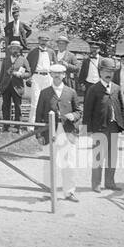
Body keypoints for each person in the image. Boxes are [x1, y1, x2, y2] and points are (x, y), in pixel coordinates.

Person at [35, 63, 82, 201]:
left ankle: (69, 192)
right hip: (50, 132)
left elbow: (79, 111)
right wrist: (39, 134)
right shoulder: (45, 93)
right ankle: (48, 192)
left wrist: (74, 116)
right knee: (49, 162)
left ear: (64, 75)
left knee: (69, 163)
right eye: (54, 74)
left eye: (60, 73)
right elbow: (38, 115)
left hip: (67, 130)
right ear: (50, 75)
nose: (57, 76)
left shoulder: (71, 92)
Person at [83, 59, 124, 192]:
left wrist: (123, 125)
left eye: (111, 71)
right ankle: (96, 183)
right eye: (106, 71)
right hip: (99, 128)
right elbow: (87, 111)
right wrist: (87, 129)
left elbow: (121, 107)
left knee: (112, 156)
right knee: (98, 156)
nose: (109, 74)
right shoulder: (94, 89)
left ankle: (110, 182)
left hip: (114, 127)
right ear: (100, 72)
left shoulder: (116, 88)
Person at [0, 39, 32, 131]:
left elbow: (29, 73)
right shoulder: (5, 60)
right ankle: (6, 126)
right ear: (10, 49)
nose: (15, 50)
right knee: (5, 106)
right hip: (6, 86)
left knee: (18, 107)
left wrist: (21, 75)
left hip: (17, 86)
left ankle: (18, 127)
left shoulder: (23, 60)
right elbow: (1, 74)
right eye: (13, 48)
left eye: (17, 48)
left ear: (19, 49)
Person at [28, 35, 54, 100]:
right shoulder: (33, 51)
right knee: (35, 98)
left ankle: (47, 110)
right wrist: (28, 77)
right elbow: (26, 65)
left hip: (48, 77)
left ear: (48, 42)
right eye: (42, 40)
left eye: (45, 41)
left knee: (47, 98)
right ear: (39, 41)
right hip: (36, 77)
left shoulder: (51, 52)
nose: (43, 42)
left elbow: (55, 65)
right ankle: (34, 110)